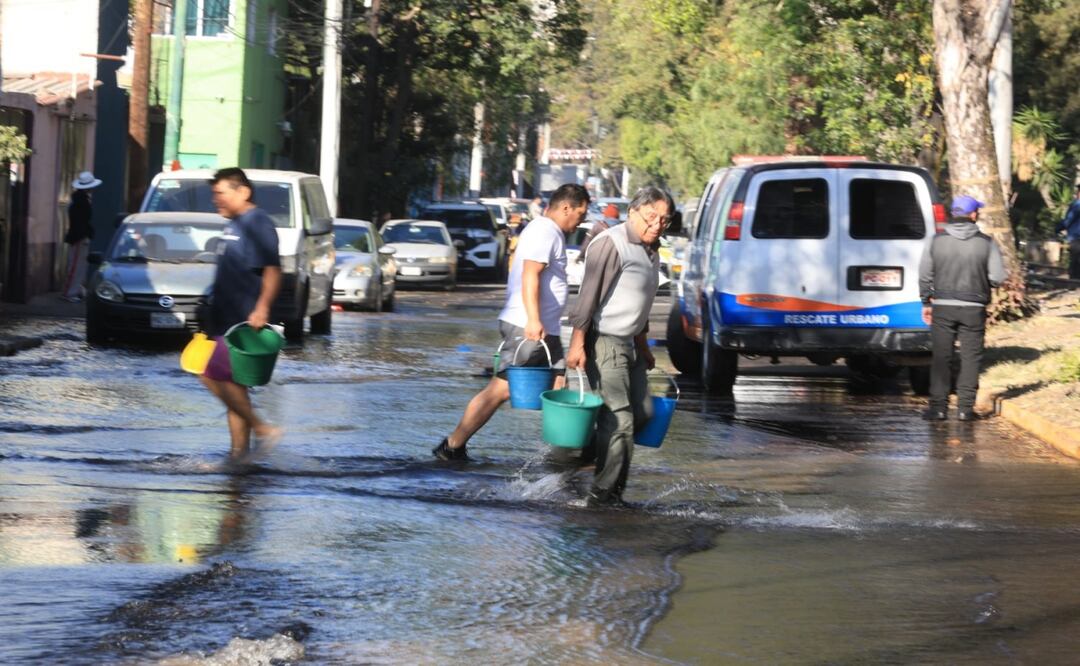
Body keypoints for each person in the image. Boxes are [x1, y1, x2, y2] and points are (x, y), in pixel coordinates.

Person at [433, 183, 591, 461]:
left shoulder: (547, 231)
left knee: (558, 383)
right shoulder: (545, 231)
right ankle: (452, 445)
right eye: (580, 213)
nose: (581, 220)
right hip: (527, 325)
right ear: (566, 207)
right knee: (502, 388)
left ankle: (564, 456)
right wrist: (533, 319)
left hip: (543, 327)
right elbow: (531, 274)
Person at [566, 186, 672, 506]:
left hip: (630, 343)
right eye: (651, 217)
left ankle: (584, 456)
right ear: (632, 212)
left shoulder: (652, 250)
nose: (657, 225)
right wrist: (577, 344)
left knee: (644, 413)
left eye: (665, 220)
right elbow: (588, 299)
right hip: (604, 341)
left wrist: (644, 345)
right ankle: (603, 496)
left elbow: (640, 302)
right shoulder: (611, 244)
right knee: (621, 422)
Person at [201, 168, 284, 461]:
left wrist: (262, 307)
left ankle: (263, 429)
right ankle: (239, 457)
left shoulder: (257, 222)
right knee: (234, 390)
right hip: (222, 318)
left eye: (220, 194)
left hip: (241, 321)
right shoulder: (234, 223)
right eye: (214, 195)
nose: (216, 200)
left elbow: (273, 269)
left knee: (206, 373)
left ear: (243, 192)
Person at [918, 194, 1007, 421]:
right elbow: (997, 276)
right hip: (974, 307)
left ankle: (938, 407)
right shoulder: (986, 243)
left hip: (943, 306)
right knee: (970, 358)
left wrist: (926, 301)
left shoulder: (935, 241)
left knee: (942, 357)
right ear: (974, 214)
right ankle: (965, 409)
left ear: (954, 213)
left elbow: (925, 274)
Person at [61, 171, 101, 302]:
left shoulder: (80, 199)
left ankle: (76, 289)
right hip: (79, 237)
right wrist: (84, 234)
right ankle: (69, 292)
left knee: (79, 265)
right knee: (75, 265)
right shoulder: (80, 201)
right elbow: (80, 221)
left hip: (80, 236)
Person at [1057, 184, 1080, 279]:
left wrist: (1058, 228)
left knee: (1075, 259)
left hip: (1076, 236)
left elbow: (1068, 220)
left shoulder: (1077, 204)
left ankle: (1073, 281)